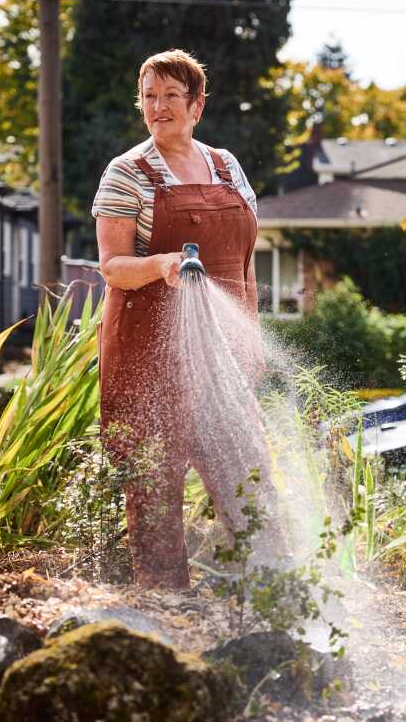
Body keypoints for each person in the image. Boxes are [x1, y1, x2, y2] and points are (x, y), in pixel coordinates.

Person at [93, 49, 282, 589]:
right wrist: (162, 264)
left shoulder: (226, 165)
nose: (158, 108)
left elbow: (243, 260)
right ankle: (165, 606)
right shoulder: (127, 173)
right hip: (149, 351)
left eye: (171, 96)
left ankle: (266, 591)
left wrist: (252, 337)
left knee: (247, 474)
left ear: (197, 106)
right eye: (149, 97)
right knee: (154, 483)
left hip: (222, 354)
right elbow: (112, 267)